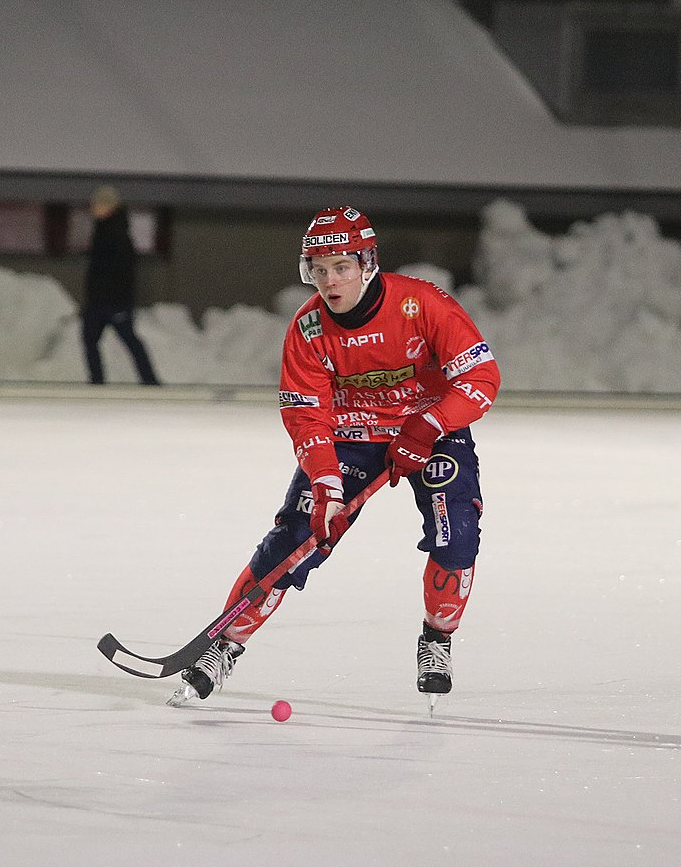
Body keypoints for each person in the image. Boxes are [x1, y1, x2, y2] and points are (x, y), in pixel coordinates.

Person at [168, 206, 501, 708]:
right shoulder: (307, 329)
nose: (330, 281)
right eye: (318, 270)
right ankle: (224, 646)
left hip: (431, 428)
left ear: (367, 263)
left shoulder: (422, 304)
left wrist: (427, 424)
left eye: (341, 267)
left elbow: (482, 378)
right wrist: (325, 483)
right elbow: (305, 416)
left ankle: (437, 638)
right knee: (296, 538)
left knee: (457, 532)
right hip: (349, 436)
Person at [80, 185, 159, 385]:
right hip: (99, 301)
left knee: (129, 340)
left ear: (108, 207)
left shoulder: (117, 235)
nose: (93, 208)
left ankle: (149, 380)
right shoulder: (103, 230)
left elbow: (122, 272)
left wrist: (118, 301)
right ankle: (98, 381)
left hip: (114, 302)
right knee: (91, 340)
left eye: (97, 205)